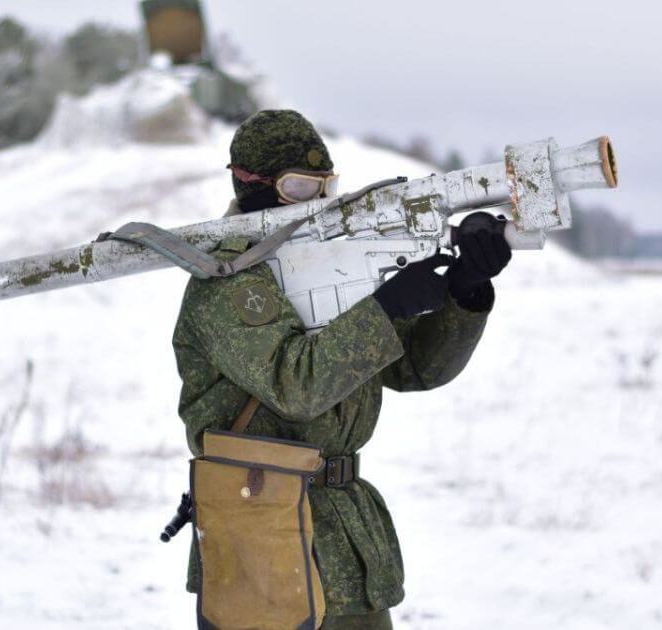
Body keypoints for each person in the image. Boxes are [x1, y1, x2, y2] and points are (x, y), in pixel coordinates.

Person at [171, 110, 511, 629]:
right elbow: (295, 385)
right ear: (250, 185)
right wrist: (384, 309)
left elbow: (416, 369)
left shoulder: (333, 264)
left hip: (347, 544)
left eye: (326, 186)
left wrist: (464, 290)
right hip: (261, 537)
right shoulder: (227, 281)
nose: (319, 203)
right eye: (300, 187)